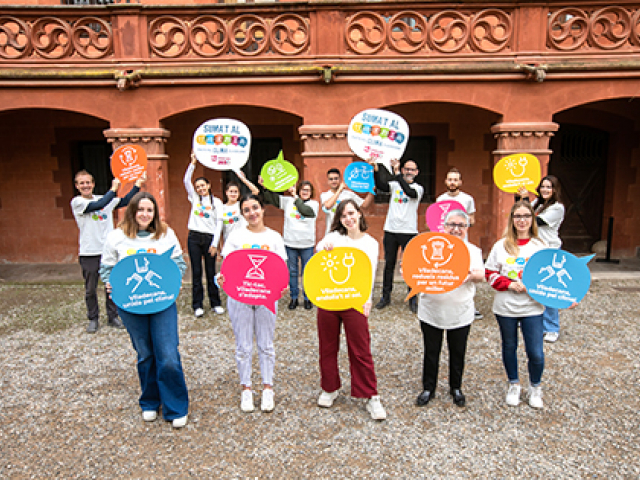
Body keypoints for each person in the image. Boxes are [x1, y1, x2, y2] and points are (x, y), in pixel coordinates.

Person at [100, 192, 189, 428]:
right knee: (145, 353)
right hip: (131, 305)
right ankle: (150, 401)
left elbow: (179, 265)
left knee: (168, 354)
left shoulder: (166, 235)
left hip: (162, 302)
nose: (145, 214)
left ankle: (175, 406)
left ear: (155, 213)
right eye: (140, 210)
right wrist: (110, 283)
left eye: (149, 210)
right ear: (132, 211)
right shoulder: (116, 237)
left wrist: (169, 284)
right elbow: (107, 269)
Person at [315, 199, 387, 421]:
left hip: (355, 301)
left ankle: (370, 395)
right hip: (329, 299)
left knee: (361, 349)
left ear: (359, 214)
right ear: (340, 219)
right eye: (344, 215)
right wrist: (324, 249)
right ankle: (330, 388)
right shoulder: (334, 238)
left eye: (352, 213)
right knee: (327, 346)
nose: (349, 218)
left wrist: (367, 300)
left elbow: (370, 274)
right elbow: (318, 253)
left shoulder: (371, 243)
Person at [219, 194, 287, 413]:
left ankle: (268, 387)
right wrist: (221, 279)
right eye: (246, 210)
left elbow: (281, 268)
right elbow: (227, 267)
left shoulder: (275, 237)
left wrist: (282, 286)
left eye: (255, 208)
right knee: (243, 345)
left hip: (267, 297)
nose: (252, 213)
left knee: (266, 344)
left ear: (262, 209)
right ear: (242, 213)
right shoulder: (236, 237)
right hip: (241, 296)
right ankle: (246, 388)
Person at [416, 210, 484, 408]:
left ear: (467, 229)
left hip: (460, 311)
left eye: (461, 225)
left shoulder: (473, 251)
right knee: (431, 351)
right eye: (452, 225)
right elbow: (414, 270)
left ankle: (456, 387)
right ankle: (428, 387)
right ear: (444, 227)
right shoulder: (428, 247)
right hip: (431, 309)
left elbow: (481, 275)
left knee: (458, 351)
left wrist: (469, 275)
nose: (456, 229)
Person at [485, 200, 547, 409]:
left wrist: (566, 298)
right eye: (518, 216)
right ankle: (514, 384)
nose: (522, 220)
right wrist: (510, 284)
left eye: (526, 216)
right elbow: (490, 273)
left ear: (532, 219)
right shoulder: (500, 245)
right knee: (509, 347)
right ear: (512, 219)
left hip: (532, 307)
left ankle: (535, 387)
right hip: (506, 307)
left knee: (536, 352)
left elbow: (549, 279)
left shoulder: (540, 247)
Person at [71, 170, 145, 333]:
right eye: (82, 183)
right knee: (91, 288)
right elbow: (98, 205)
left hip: (108, 252)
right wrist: (113, 189)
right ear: (77, 186)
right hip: (89, 252)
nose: (86, 186)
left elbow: (125, 200)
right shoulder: (77, 202)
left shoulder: (103, 198)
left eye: (88, 182)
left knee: (111, 286)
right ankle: (93, 318)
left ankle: (113, 317)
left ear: (93, 184)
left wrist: (137, 185)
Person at [370, 158, 424, 313]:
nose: (409, 172)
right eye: (406, 169)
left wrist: (397, 172)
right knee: (389, 264)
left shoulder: (418, 188)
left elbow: (410, 192)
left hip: (409, 231)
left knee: (410, 266)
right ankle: (385, 297)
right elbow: (381, 185)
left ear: (416, 172)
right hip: (391, 230)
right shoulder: (395, 185)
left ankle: (412, 298)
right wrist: (376, 169)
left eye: (412, 170)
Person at [518, 176, 565, 343]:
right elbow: (521, 214)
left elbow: (535, 221)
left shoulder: (557, 208)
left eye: (549, 187)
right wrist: (522, 200)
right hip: (534, 248)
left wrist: (525, 200)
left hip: (549, 251)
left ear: (554, 190)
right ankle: (531, 318)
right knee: (531, 284)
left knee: (549, 288)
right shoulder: (537, 202)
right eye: (543, 186)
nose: (545, 190)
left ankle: (552, 327)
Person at [262, 180, 319, 310]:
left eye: (307, 190)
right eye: (303, 189)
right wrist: (266, 187)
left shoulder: (314, 204)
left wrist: (295, 196)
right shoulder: (288, 201)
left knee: (307, 272)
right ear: (299, 190)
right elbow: (272, 198)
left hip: (307, 243)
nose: (305, 192)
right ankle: (294, 297)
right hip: (290, 242)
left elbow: (305, 211)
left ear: (311, 193)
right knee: (292, 272)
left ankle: (307, 298)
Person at [436, 167, 482, 319]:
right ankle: (445, 301)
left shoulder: (467, 199)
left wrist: (460, 224)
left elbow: (473, 219)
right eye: (450, 179)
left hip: (463, 242)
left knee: (466, 271)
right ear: (445, 181)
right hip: (444, 241)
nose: (452, 182)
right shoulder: (440, 199)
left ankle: (470, 305)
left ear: (460, 182)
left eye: (455, 179)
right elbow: (436, 221)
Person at [184, 153, 224, 318]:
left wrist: (215, 244)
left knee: (211, 272)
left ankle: (215, 303)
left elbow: (219, 224)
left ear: (209, 185)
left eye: (203, 185)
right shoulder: (194, 198)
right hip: (194, 237)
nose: (200, 188)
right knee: (197, 272)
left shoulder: (217, 202)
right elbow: (186, 180)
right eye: (198, 186)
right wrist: (192, 163)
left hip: (209, 239)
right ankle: (197, 305)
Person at [320, 168, 373, 237]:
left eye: (336, 179)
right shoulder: (325, 195)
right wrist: (339, 190)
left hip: (348, 232)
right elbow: (327, 205)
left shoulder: (349, 194)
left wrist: (372, 192)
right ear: (328, 181)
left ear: (340, 180)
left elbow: (364, 205)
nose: (333, 181)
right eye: (331, 179)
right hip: (332, 233)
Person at [221, 172, 260, 244]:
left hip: (244, 241)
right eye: (231, 191)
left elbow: (255, 191)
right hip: (229, 243)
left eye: (236, 192)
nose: (233, 194)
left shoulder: (242, 204)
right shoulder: (221, 208)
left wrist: (243, 179)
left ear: (239, 193)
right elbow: (220, 230)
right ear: (226, 192)